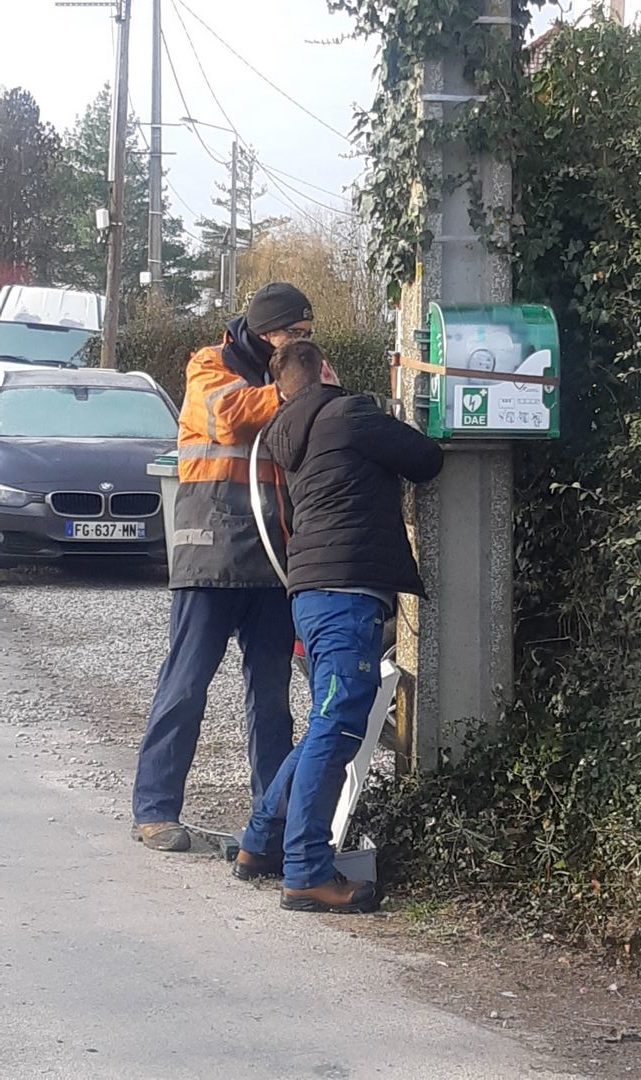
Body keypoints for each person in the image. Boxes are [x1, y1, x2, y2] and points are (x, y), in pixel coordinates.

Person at [232, 340, 444, 914]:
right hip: (349, 588)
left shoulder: (281, 432)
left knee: (327, 722)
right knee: (337, 729)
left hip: (308, 589)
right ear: (326, 370)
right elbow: (426, 458)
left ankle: (261, 842)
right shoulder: (350, 413)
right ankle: (306, 871)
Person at [131, 283, 315, 853]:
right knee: (185, 686)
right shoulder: (208, 368)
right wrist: (293, 394)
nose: (305, 344)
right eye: (296, 334)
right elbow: (230, 417)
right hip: (209, 553)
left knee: (272, 698)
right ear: (267, 333)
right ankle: (155, 811)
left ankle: (273, 824)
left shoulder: (291, 372)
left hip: (271, 560)